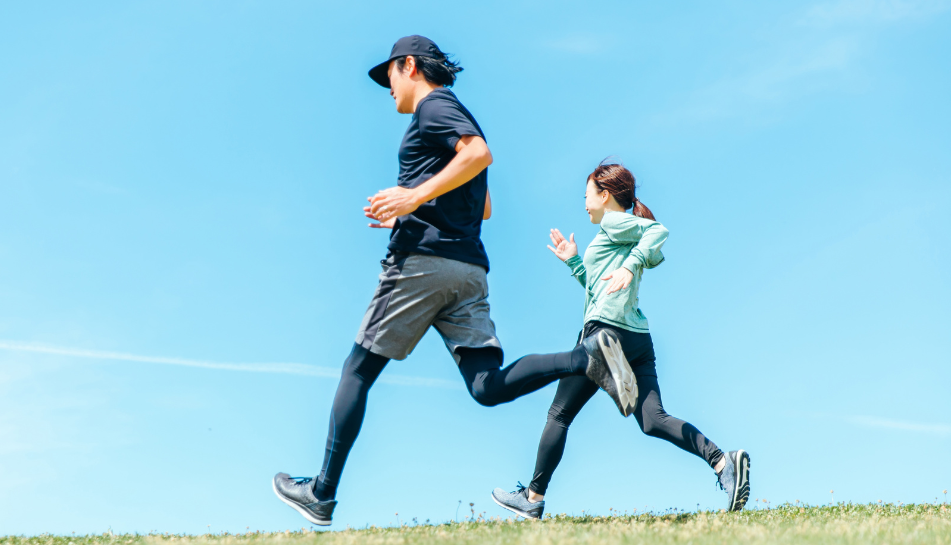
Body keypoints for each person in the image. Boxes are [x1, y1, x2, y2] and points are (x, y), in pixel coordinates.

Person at [271, 36, 638, 526]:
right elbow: (482, 204)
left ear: (410, 66)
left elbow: (479, 154)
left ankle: (321, 491)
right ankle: (585, 357)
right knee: (486, 386)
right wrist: (415, 205)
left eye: (391, 77)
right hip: (468, 270)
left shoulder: (435, 108)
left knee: (357, 370)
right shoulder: (455, 117)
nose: (388, 90)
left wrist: (410, 199)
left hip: (420, 264)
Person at [490, 162, 751, 520]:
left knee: (559, 413)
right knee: (652, 419)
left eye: (586, 195)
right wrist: (575, 264)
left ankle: (532, 497)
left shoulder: (616, 222)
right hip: (636, 338)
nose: (584, 203)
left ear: (604, 195)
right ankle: (723, 462)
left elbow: (658, 231)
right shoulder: (615, 234)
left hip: (604, 334)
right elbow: (602, 289)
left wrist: (630, 266)